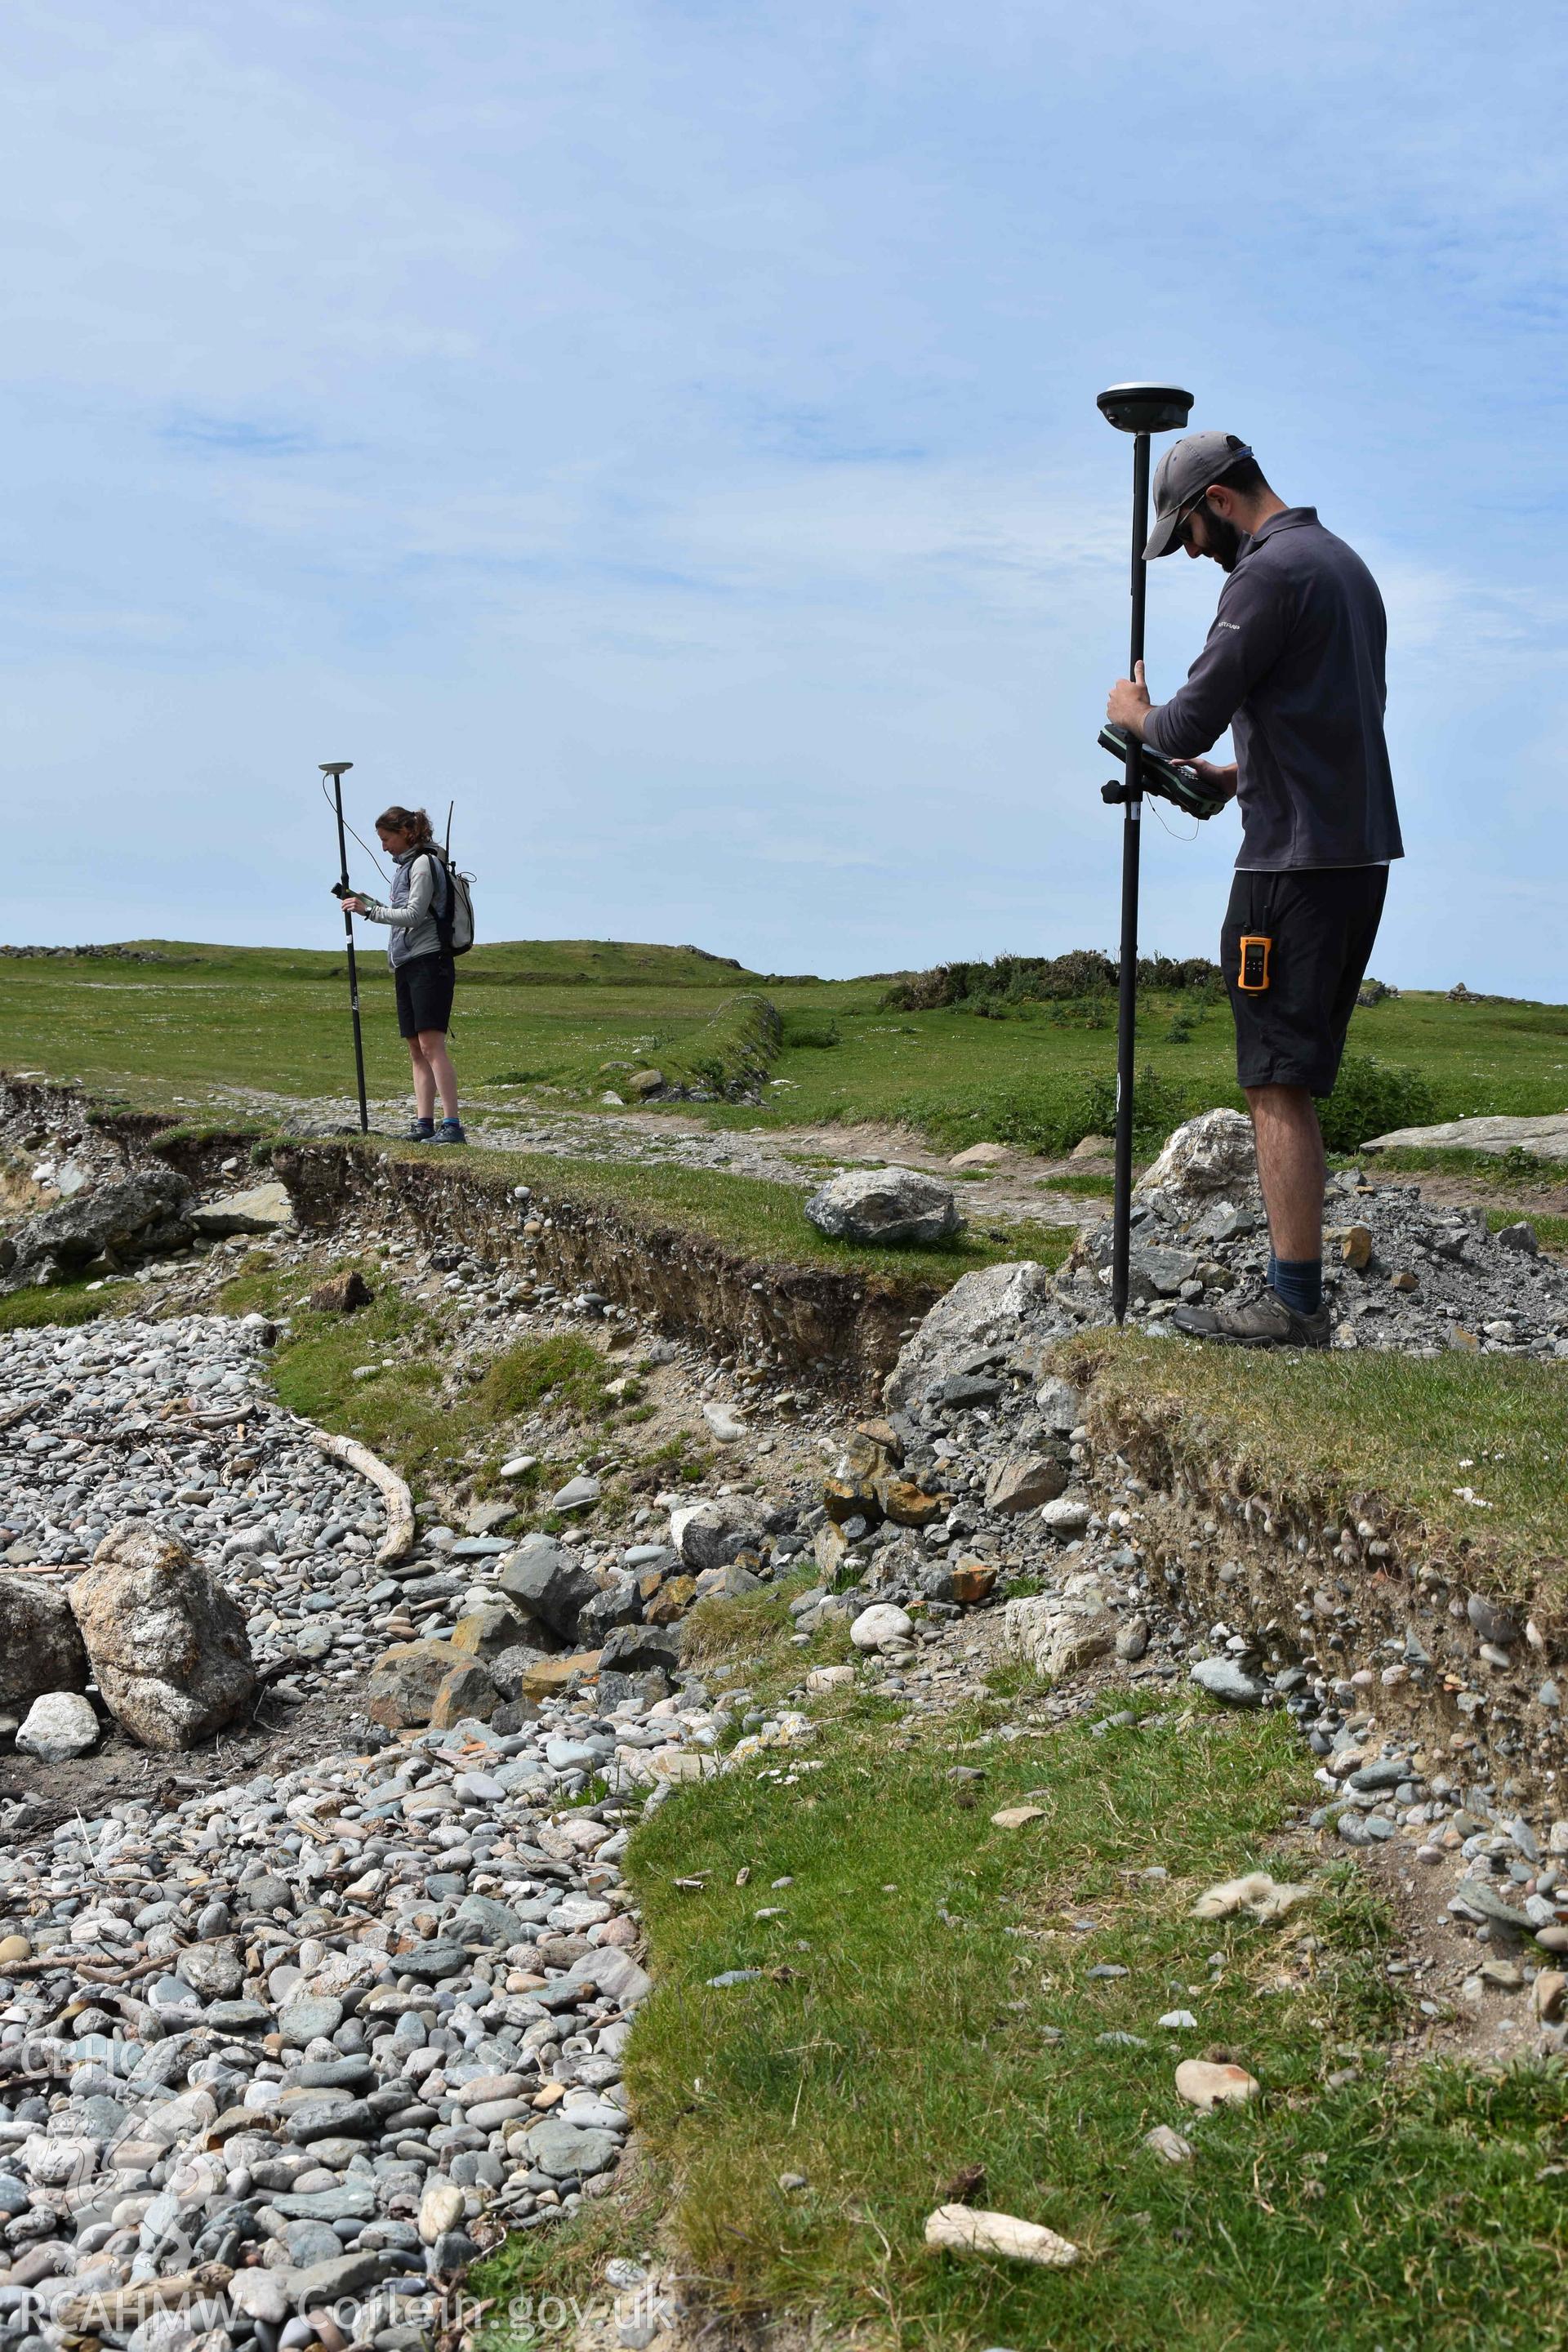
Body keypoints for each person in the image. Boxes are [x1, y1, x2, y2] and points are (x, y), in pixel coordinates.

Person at [1105, 431, 1402, 1348]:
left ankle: (1293, 1305)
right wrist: (1238, 777)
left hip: (1291, 869)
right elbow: (1332, 719)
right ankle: (1297, 1293)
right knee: (1293, 1073)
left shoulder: (1266, 575)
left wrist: (1133, 716)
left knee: (1275, 1080)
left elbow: (1184, 713)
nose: (1192, 552)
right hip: (1352, 856)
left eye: (1190, 532)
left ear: (1221, 502)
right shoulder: (1343, 567)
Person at [341, 807, 466, 1144]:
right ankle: (423, 1123)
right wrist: (370, 905)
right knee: (416, 1047)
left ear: (407, 832)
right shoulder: (407, 868)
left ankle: (452, 1125)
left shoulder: (424, 864)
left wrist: (370, 912)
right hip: (407, 963)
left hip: (430, 962)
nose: (383, 847)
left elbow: (413, 915)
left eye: (386, 839)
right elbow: (408, 911)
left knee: (431, 1044)